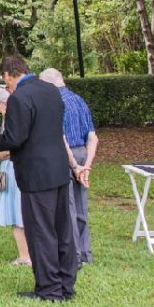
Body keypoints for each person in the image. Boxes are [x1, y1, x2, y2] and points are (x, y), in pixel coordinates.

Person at [0, 55, 78, 302]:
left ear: (8, 75)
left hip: (36, 174)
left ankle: (49, 289)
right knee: (62, 230)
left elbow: (15, 138)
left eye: (5, 80)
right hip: (59, 169)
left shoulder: (19, 97)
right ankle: (65, 285)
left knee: (41, 231)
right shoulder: (51, 90)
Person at [40, 68, 98, 264]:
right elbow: (92, 137)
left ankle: (73, 256)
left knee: (68, 207)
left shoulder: (54, 103)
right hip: (83, 152)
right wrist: (86, 166)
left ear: (48, 83)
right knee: (81, 206)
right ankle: (85, 252)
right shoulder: (79, 100)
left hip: (65, 155)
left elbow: (61, 138)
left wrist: (74, 166)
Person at [0, 86, 31, 267]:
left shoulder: (11, 119)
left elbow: (15, 147)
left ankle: (24, 255)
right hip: (12, 167)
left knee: (16, 210)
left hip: (13, 169)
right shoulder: (13, 118)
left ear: (4, 103)